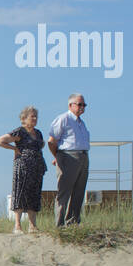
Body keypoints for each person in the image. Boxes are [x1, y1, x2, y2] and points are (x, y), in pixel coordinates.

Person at [0, 105, 46, 233]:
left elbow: (42, 144)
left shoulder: (38, 133)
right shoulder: (20, 132)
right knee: (20, 193)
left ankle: (32, 225)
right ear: (24, 118)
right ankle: (17, 225)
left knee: (34, 194)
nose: (34, 118)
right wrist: (14, 149)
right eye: (32, 116)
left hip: (37, 167)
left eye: (36, 116)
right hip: (23, 166)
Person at [47, 93, 90, 227]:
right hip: (68, 156)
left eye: (84, 105)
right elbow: (52, 141)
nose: (82, 107)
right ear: (70, 105)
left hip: (83, 156)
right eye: (79, 104)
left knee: (79, 191)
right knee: (64, 192)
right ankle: (59, 225)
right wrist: (58, 156)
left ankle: (73, 222)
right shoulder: (63, 119)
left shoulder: (81, 123)